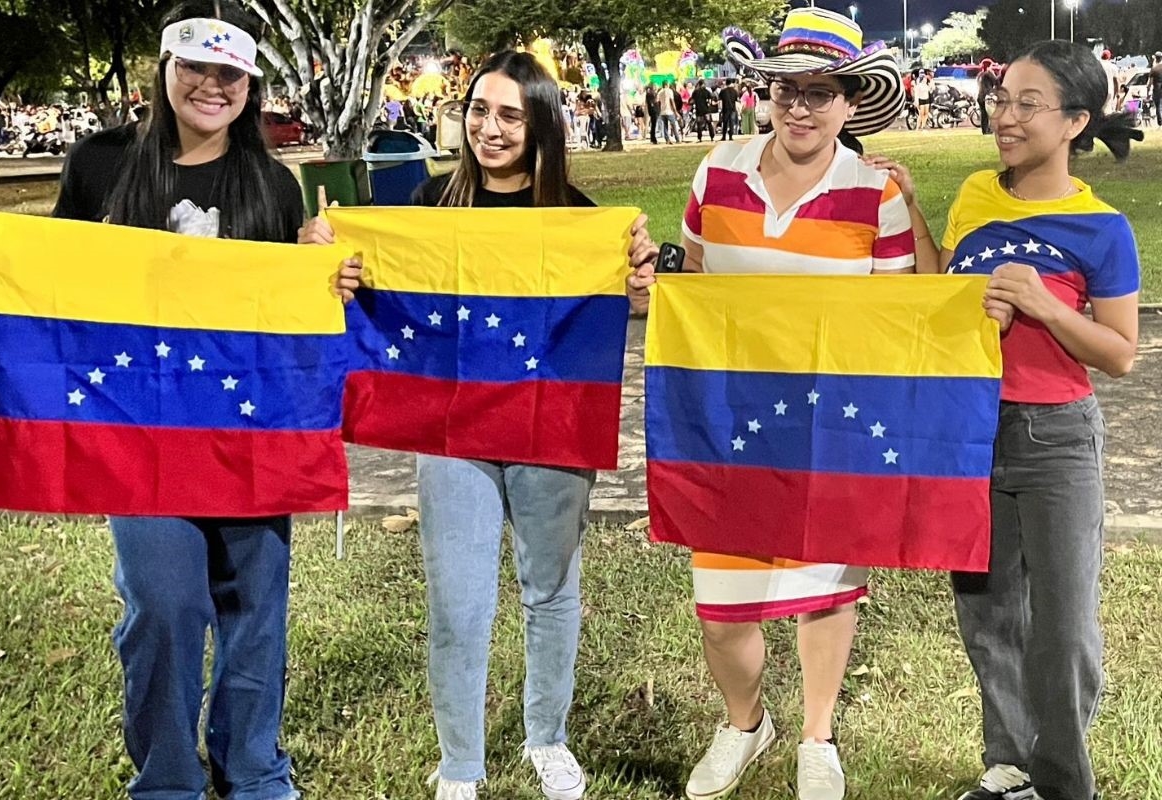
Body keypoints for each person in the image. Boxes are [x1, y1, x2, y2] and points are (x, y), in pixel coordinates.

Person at [0, 2, 312, 798]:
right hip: (138, 434)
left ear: (250, 85)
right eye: (196, 66)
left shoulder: (270, 182)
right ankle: (166, 780)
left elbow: (296, 316)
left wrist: (325, 272)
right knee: (164, 606)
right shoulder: (100, 164)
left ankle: (255, 771)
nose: (212, 86)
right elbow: (52, 278)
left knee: (256, 609)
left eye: (231, 73)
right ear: (164, 68)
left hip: (250, 428)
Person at [299, 51, 657, 800]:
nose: (489, 129)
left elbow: (625, 310)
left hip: (549, 428)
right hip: (451, 434)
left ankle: (546, 737)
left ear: (540, 126)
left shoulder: (580, 220)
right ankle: (459, 763)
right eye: (478, 110)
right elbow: (357, 293)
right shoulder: (427, 207)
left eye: (509, 115)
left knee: (550, 588)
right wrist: (329, 267)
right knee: (458, 603)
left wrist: (636, 282)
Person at [627, 9, 912, 800]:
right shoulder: (717, 170)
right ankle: (746, 722)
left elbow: (894, 316)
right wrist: (655, 287)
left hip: (832, 421)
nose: (800, 107)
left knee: (827, 591)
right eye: (788, 89)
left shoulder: (876, 190)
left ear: (850, 103)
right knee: (722, 605)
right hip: (727, 418)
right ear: (767, 95)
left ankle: (817, 735)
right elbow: (693, 283)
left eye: (820, 93)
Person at [869, 39, 1141, 800]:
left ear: (1075, 120)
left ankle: (1064, 783)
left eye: (1028, 104)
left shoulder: (1102, 228)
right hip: (971, 431)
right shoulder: (977, 194)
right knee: (987, 615)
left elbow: (1120, 354)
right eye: (1003, 100)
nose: (1006, 117)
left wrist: (1047, 305)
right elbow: (941, 293)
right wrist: (918, 210)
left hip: (1057, 441)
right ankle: (1010, 768)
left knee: (1064, 629)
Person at [977, 58, 999, 134]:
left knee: (984, 115)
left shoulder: (980, 75)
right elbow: (996, 81)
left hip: (980, 96)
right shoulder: (988, 74)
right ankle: (989, 130)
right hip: (987, 96)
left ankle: (984, 130)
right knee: (991, 114)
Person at [1099, 49, 1119, 115]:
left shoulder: (1098, 65)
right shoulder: (1112, 66)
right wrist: (1116, 93)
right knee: (1107, 111)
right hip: (1109, 90)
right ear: (1109, 57)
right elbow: (1116, 82)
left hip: (1099, 90)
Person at [1149, 52, 1162, 127]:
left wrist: (1148, 90)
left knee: (1159, 106)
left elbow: (1150, 82)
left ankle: (1160, 123)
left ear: (1156, 58)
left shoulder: (1154, 69)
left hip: (1157, 90)